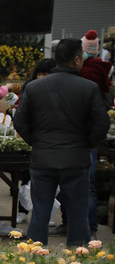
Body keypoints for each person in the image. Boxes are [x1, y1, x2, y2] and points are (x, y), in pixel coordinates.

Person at [13, 38, 108, 247]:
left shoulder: (35, 87)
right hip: (76, 160)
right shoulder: (89, 88)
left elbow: (19, 121)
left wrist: (37, 142)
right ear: (76, 59)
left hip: (43, 159)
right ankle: (78, 262)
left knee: (40, 213)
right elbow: (102, 124)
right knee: (78, 214)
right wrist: (86, 143)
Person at [78, 30, 113, 238]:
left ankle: (84, 227)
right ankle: (89, 227)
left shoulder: (84, 74)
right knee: (87, 182)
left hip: (80, 133)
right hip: (89, 134)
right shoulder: (102, 71)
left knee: (81, 182)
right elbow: (106, 105)